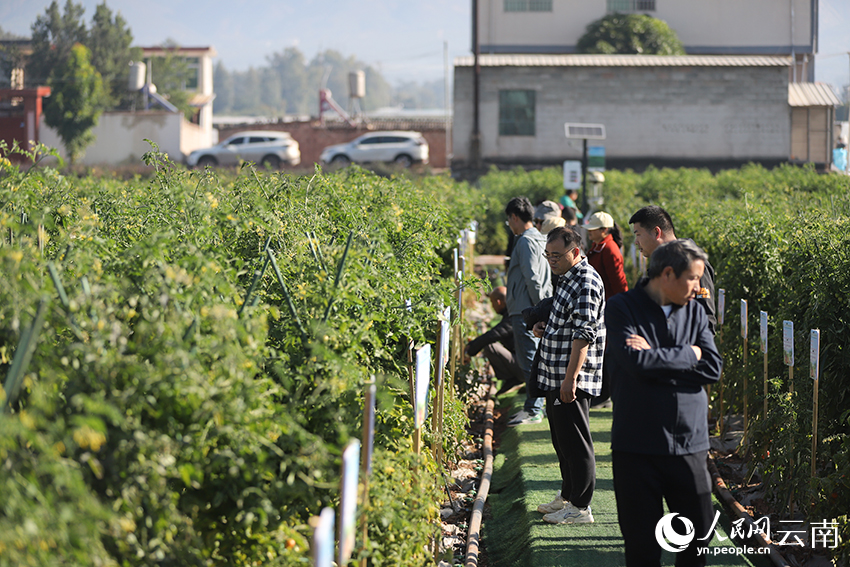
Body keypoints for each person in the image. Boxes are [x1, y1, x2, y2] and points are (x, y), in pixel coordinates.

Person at [605, 239, 722, 566]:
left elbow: (712, 367)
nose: (698, 287)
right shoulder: (621, 308)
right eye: (693, 278)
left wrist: (655, 359)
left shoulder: (696, 312)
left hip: (690, 444)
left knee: (697, 541)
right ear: (667, 273)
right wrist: (689, 354)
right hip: (637, 445)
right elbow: (634, 364)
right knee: (642, 546)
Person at [532, 226, 605, 524]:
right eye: (547, 255)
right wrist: (543, 328)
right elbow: (566, 322)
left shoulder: (586, 280)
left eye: (557, 255)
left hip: (570, 377)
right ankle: (567, 496)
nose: (551, 260)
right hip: (556, 373)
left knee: (576, 441)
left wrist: (570, 378)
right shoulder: (567, 277)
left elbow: (584, 333)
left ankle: (580, 506)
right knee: (562, 440)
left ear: (575, 252)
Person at [629, 205, 716, 334]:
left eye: (639, 234)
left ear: (656, 232)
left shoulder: (693, 264)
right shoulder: (658, 264)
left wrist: (688, 351)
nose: (636, 242)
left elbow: (706, 320)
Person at [504, 197, 552, 426]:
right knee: (530, 357)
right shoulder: (539, 238)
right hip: (527, 306)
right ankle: (532, 406)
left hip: (525, 308)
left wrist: (536, 310)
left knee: (529, 359)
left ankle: (534, 409)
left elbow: (532, 276)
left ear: (514, 217)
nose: (509, 225)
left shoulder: (524, 241)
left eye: (508, 221)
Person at [585, 211, 629, 408]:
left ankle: (605, 394)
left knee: (606, 352)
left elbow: (619, 283)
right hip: (600, 307)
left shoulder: (609, 249)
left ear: (604, 230)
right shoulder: (599, 247)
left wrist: (619, 310)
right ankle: (601, 393)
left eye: (593, 229)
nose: (589, 232)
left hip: (608, 308)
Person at [465, 287, 525, 393]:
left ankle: (513, 379)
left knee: (490, 346)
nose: (492, 306)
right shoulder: (513, 312)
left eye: (492, 303)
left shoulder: (513, 317)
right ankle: (512, 378)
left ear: (499, 302)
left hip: (524, 367)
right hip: (521, 363)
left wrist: (470, 349)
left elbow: (495, 334)